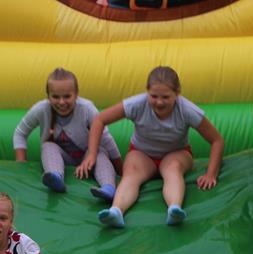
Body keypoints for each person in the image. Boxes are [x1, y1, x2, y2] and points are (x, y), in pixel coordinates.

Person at [79, 65, 224, 228]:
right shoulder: (137, 104)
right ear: (147, 91)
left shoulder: (186, 110)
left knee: (172, 168)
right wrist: (92, 153)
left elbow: (216, 140)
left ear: (177, 94)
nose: (159, 102)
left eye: (166, 97)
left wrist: (211, 174)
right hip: (142, 153)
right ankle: (116, 211)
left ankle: (174, 208)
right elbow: (99, 120)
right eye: (154, 96)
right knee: (131, 173)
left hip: (176, 152)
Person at [13, 68, 123, 201]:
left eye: (67, 96)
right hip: (61, 158)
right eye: (55, 97)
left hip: (88, 158)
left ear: (76, 95)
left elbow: (106, 138)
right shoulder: (41, 109)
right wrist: (21, 164)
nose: (61, 102)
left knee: (100, 151)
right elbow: (20, 132)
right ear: (48, 96)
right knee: (48, 146)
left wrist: (121, 171)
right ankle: (55, 176)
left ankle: (108, 187)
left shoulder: (86, 109)